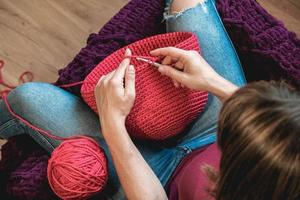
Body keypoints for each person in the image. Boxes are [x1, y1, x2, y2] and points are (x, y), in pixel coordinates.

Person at [0, 0, 299, 199]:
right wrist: (211, 81)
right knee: (187, 2)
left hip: (159, 181)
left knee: (28, 98)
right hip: (219, 136)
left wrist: (113, 126)